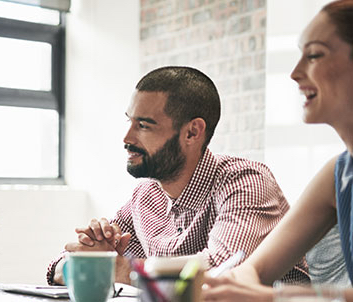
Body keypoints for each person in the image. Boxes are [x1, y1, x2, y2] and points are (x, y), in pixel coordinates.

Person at [46, 66, 309, 285]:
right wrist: (88, 260)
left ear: (193, 133)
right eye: (130, 122)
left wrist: (120, 271)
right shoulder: (146, 195)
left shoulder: (246, 181)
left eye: (144, 125)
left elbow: (221, 271)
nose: (127, 138)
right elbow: (60, 265)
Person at [203, 1, 353, 300]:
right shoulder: (337, 174)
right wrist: (226, 284)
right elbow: (254, 268)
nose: (295, 73)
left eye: (314, 55)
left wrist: (273, 298)